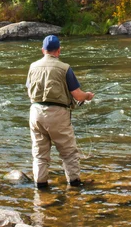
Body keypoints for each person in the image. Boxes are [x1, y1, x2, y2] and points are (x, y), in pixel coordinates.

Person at [26, 35, 94, 189]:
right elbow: (77, 95)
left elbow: (29, 89)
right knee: (68, 153)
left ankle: (41, 189)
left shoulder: (32, 66)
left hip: (35, 112)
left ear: (43, 50)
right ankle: (74, 186)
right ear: (59, 51)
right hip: (57, 114)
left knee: (39, 155)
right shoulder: (65, 68)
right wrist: (87, 96)